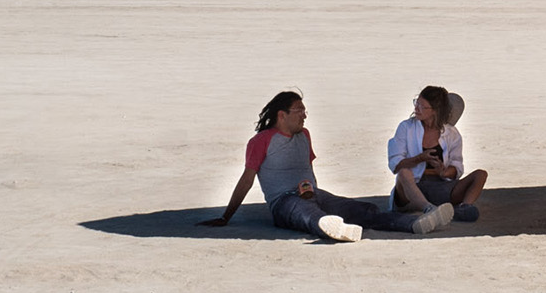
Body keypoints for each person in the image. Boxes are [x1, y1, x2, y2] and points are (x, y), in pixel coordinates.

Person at [201, 90, 453, 241]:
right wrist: (226, 216)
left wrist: (313, 193)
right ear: (282, 115)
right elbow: (247, 180)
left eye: (304, 110)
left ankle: (414, 224)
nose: (304, 115)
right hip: (284, 202)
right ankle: (333, 228)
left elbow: (307, 170)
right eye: (299, 111)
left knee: (362, 209)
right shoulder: (261, 141)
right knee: (306, 215)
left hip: (313, 193)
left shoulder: (305, 135)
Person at [389, 86, 486, 223]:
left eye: (422, 106)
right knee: (404, 173)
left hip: (441, 187)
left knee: (480, 174)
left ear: (435, 111)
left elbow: (457, 166)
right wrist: (419, 158)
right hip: (413, 188)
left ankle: (464, 208)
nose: (416, 108)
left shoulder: (451, 133)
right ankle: (430, 209)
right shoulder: (406, 128)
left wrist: (444, 172)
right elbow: (395, 164)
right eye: (416, 103)